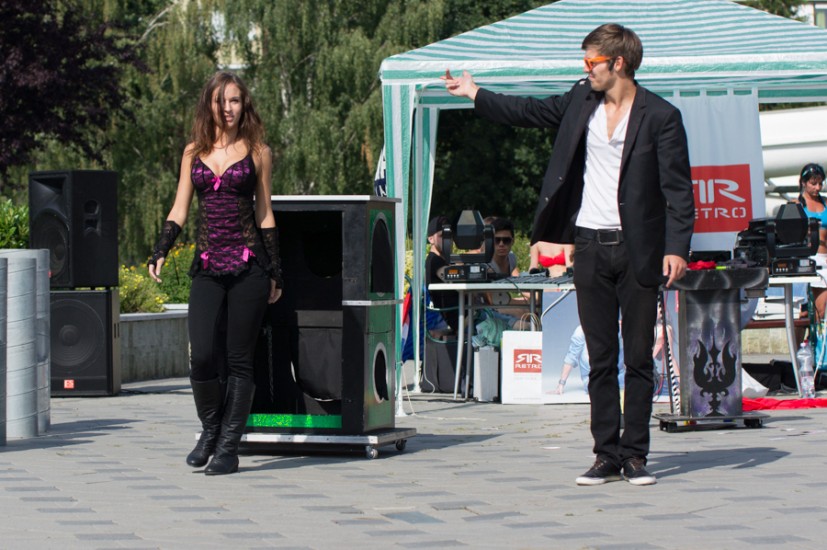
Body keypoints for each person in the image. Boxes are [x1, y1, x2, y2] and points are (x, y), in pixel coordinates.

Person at [444, 23, 695, 486]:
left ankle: (635, 455)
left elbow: (679, 191)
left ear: (618, 63)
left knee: (639, 358)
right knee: (600, 356)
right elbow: (528, 110)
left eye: (591, 62)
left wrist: (677, 248)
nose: (585, 69)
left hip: (638, 250)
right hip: (590, 247)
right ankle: (606, 454)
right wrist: (474, 93)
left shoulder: (661, 116)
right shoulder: (582, 99)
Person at [148, 71, 283, 476]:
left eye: (235, 100)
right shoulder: (193, 152)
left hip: (249, 266)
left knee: (240, 359)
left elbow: (264, 212)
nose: (227, 108)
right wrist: (160, 250)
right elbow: (179, 208)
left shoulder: (258, 151)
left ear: (244, 105)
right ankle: (210, 430)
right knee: (203, 355)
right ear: (208, 104)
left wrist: (275, 270)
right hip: (207, 265)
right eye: (220, 101)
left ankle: (228, 448)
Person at [797, 163, 827, 319]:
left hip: (824, 258)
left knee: (821, 310)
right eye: (813, 183)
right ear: (804, 182)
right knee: (807, 312)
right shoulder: (796, 205)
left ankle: (815, 335)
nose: (818, 188)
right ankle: (801, 334)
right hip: (808, 259)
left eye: (820, 183)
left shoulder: (825, 203)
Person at [425, 215, 460, 333]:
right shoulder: (434, 260)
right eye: (442, 235)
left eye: (450, 235)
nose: (447, 239)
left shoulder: (445, 260)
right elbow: (456, 280)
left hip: (467, 314)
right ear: (431, 239)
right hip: (458, 320)